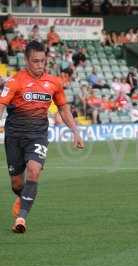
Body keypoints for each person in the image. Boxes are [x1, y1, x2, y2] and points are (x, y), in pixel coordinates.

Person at [0, 41, 84, 233]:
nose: (40, 65)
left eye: (43, 61)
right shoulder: (14, 82)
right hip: (14, 136)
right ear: (26, 60)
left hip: (38, 135)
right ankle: (21, 197)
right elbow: (1, 105)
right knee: (17, 182)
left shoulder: (54, 82)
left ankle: (21, 218)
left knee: (34, 171)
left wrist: (75, 131)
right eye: (35, 61)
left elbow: (63, 108)